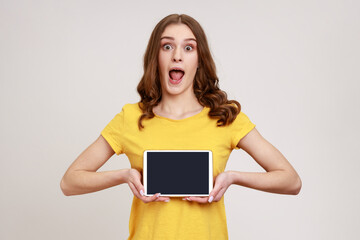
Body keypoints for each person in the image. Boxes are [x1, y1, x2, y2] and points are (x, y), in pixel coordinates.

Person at [60, 13, 302, 240]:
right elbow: (69, 182)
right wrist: (125, 176)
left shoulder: (225, 117)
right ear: (156, 57)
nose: (177, 55)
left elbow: (291, 181)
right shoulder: (130, 118)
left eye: (188, 47)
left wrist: (232, 178)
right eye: (167, 46)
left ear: (199, 61)